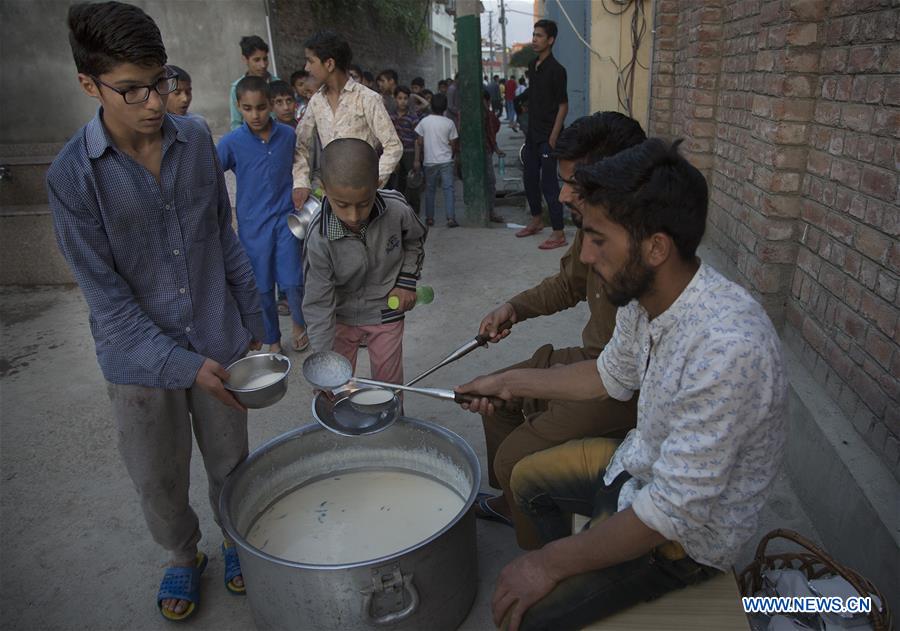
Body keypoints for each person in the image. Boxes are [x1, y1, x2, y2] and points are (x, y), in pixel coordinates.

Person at [458, 138, 787, 631]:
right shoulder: (644, 299)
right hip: (636, 473)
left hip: (684, 543)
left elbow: (671, 512)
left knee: (522, 616)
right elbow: (606, 376)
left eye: (598, 239)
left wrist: (548, 565)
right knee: (525, 480)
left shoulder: (728, 348)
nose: (586, 257)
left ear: (656, 247)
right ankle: (582, 571)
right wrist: (504, 381)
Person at [48, 2, 264, 621]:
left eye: (160, 80)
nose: (153, 102)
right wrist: (180, 363)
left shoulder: (195, 139)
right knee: (158, 478)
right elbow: (108, 303)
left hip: (219, 337)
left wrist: (255, 323)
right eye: (132, 89)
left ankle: (234, 541)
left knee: (231, 462)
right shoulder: (72, 178)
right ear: (90, 85)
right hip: (139, 366)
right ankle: (181, 555)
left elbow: (224, 237)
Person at [473, 112, 646, 546]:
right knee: (499, 402)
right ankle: (519, 505)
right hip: (598, 364)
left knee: (516, 459)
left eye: (575, 184)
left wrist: (515, 379)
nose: (563, 194)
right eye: (562, 180)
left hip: (622, 386)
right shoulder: (595, 224)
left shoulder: (646, 254)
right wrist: (514, 307)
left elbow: (616, 378)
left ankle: (546, 544)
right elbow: (569, 283)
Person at [303, 138, 427, 385]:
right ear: (324, 188)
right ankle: (334, 416)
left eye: (364, 203)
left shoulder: (397, 210)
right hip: (340, 315)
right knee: (333, 383)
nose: (354, 215)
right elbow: (318, 302)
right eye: (342, 205)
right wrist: (322, 359)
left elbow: (415, 240)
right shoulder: (318, 236)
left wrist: (406, 282)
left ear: (377, 183)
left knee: (388, 386)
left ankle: (393, 422)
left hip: (386, 310)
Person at [218, 76, 308, 354]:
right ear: (238, 107)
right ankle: (273, 337)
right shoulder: (231, 142)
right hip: (253, 227)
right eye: (247, 108)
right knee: (263, 287)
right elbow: (208, 175)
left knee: (293, 281)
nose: (255, 115)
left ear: (269, 104)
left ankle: (299, 325)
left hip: (286, 221)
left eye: (260, 107)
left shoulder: (288, 136)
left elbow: (303, 165)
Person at [292, 30, 402, 211]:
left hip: (364, 201)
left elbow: (393, 146)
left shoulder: (367, 99)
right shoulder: (316, 102)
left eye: (311, 61)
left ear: (329, 64)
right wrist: (300, 182)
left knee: (367, 238)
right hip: (332, 197)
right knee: (334, 238)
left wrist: (373, 183)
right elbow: (300, 144)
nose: (307, 68)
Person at [516, 19, 569, 251]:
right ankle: (537, 221)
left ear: (551, 40)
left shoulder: (557, 70)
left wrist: (554, 136)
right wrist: (524, 103)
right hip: (532, 134)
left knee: (549, 184)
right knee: (529, 179)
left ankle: (558, 233)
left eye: (539, 36)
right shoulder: (532, 65)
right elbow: (536, 92)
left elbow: (563, 105)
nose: (535, 39)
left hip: (548, 136)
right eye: (533, 34)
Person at [413, 93, 459, 228]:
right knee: (448, 189)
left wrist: (417, 159)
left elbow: (419, 141)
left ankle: (430, 218)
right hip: (446, 160)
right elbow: (453, 143)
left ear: (431, 105)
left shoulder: (424, 122)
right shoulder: (449, 123)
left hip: (430, 161)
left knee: (430, 190)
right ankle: (450, 218)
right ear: (445, 107)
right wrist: (453, 155)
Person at [228, 35, 277, 130]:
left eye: (265, 59)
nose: (263, 65)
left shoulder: (277, 83)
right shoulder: (237, 88)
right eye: (257, 60)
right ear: (245, 59)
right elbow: (236, 123)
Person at [389, 85, 421, 212]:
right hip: (395, 153)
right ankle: (399, 211)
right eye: (400, 98)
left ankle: (414, 211)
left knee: (412, 183)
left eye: (405, 98)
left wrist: (417, 159)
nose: (402, 101)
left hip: (409, 153)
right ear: (395, 99)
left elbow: (417, 140)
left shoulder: (413, 118)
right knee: (397, 183)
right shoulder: (390, 117)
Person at [165, 64, 210, 134]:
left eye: (188, 92)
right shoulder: (152, 127)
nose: (185, 99)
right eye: (177, 93)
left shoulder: (198, 125)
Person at [482, 89, 506, 224]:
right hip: (480, 151)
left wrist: (496, 148)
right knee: (489, 182)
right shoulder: (469, 114)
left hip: (487, 150)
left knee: (490, 182)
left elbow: (492, 131)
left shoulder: (489, 116)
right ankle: (489, 211)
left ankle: (490, 211)